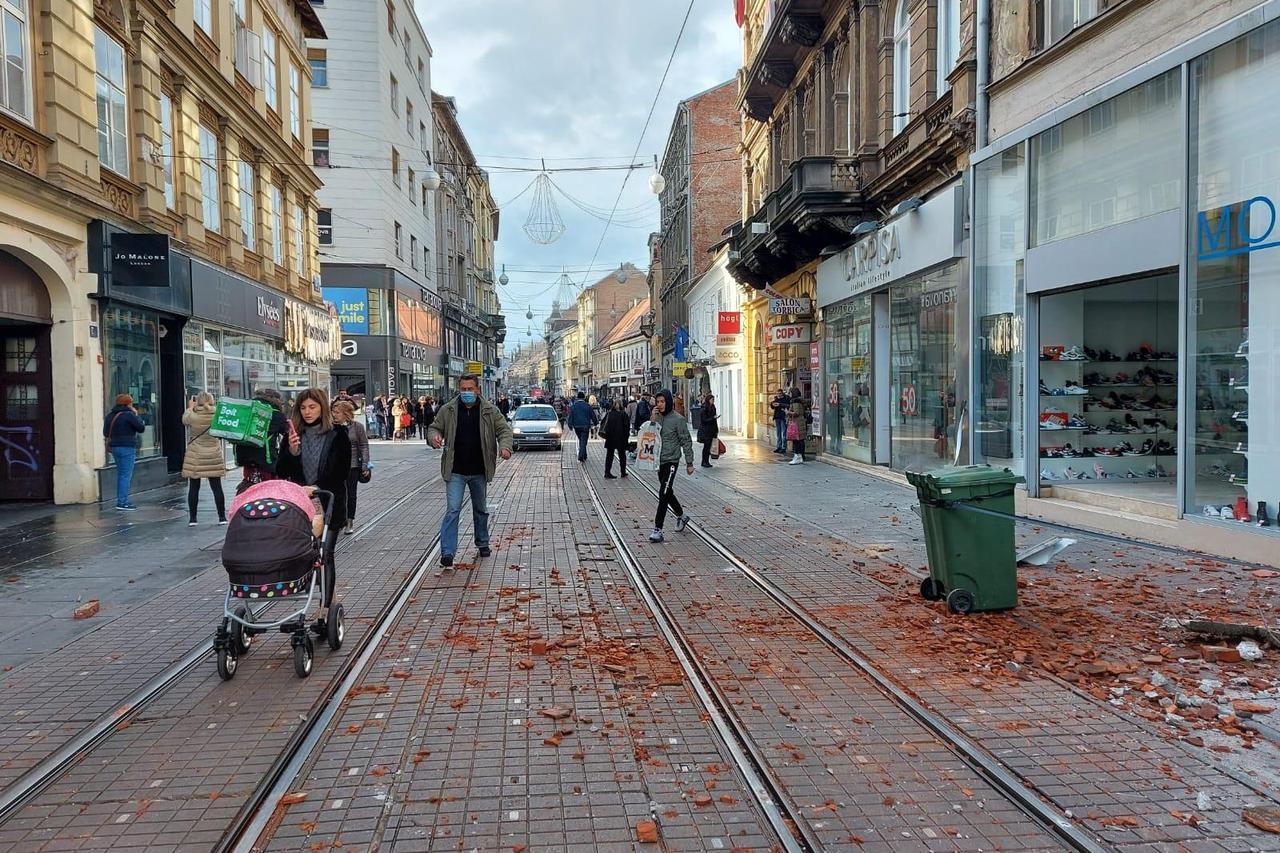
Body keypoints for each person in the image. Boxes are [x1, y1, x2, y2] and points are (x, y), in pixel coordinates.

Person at [427, 373, 513, 567]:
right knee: (452, 509)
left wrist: (506, 446)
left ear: (477, 390)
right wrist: (434, 437)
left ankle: (482, 542)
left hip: (479, 468)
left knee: (480, 509)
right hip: (455, 469)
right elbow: (434, 427)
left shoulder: (489, 411)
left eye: (470, 389)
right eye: (463, 389)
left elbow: (504, 430)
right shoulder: (448, 410)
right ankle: (447, 552)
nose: (466, 393)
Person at [277, 387, 351, 607]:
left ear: (322, 408)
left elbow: (341, 472)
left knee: (326, 553)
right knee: (306, 554)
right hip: (301, 505)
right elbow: (281, 471)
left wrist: (317, 487)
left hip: (329, 503)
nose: (307, 412)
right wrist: (291, 451)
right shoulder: (294, 435)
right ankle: (318, 594)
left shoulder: (338, 434)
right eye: (303, 408)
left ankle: (326, 606)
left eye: (312, 407)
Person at [647, 389, 694, 543]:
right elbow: (649, 436)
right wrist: (652, 419)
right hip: (659, 461)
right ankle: (682, 516)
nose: (660, 405)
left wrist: (689, 462)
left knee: (663, 493)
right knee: (667, 492)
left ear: (668, 402)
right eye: (657, 402)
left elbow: (686, 441)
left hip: (672, 461)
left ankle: (658, 529)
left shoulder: (678, 420)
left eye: (662, 401)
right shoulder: (657, 418)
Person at [181, 392, 227, 525]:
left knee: (194, 487)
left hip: (196, 454)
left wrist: (190, 407)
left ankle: (193, 519)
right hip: (213, 453)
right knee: (217, 487)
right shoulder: (218, 414)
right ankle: (222, 517)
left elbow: (184, 420)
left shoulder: (193, 415)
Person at [234, 387, 289, 492]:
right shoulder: (276, 414)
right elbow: (285, 431)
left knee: (249, 484)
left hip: (245, 457)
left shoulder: (248, 410)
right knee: (267, 489)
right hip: (265, 460)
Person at [331, 400, 369, 534]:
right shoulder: (331, 427)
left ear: (346, 413)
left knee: (351, 494)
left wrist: (364, 465)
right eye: (333, 412)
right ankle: (339, 519)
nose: (334, 415)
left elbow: (364, 445)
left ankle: (349, 520)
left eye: (337, 413)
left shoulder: (357, 427)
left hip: (352, 466)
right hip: (335, 466)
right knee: (337, 494)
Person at [103, 393, 145, 511]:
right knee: (125, 475)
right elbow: (141, 428)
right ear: (128, 404)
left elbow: (106, 433)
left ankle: (121, 500)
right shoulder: (129, 415)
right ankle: (122, 502)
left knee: (121, 474)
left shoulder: (110, 415)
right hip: (127, 447)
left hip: (114, 447)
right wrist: (136, 415)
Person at [600, 398, 631, 479]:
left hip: (610, 438)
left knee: (609, 455)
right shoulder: (623, 414)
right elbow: (627, 427)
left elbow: (603, 423)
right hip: (621, 438)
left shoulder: (609, 413)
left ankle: (607, 472)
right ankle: (623, 472)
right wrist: (626, 437)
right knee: (622, 456)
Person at [567, 391, 597, 462]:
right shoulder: (587, 405)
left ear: (577, 398)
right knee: (583, 441)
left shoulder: (573, 406)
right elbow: (592, 415)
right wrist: (595, 422)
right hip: (585, 426)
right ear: (584, 398)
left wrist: (570, 425)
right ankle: (581, 455)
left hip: (577, 426)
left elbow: (570, 416)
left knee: (581, 440)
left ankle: (584, 455)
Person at [697, 392, 719, 469]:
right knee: (706, 447)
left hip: (712, 430)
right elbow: (703, 420)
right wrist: (713, 418)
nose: (713, 401)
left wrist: (716, 430)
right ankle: (704, 461)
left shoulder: (713, 407)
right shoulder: (704, 409)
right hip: (706, 431)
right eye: (712, 399)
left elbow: (714, 421)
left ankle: (707, 461)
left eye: (714, 399)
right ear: (708, 400)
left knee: (709, 447)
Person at [787, 388, 807, 465]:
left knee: (797, 441)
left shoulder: (795, 402)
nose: (789, 394)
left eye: (790, 393)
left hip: (797, 423)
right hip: (799, 422)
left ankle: (797, 456)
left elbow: (796, 413)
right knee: (799, 440)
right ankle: (800, 456)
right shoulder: (799, 401)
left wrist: (788, 412)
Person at [770, 389, 789, 453]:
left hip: (783, 417)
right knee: (778, 432)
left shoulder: (786, 399)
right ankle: (778, 446)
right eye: (778, 393)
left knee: (783, 432)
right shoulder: (776, 399)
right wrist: (772, 404)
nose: (779, 394)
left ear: (782, 393)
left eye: (780, 393)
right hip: (777, 417)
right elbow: (772, 407)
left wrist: (780, 404)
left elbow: (788, 406)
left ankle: (784, 447)